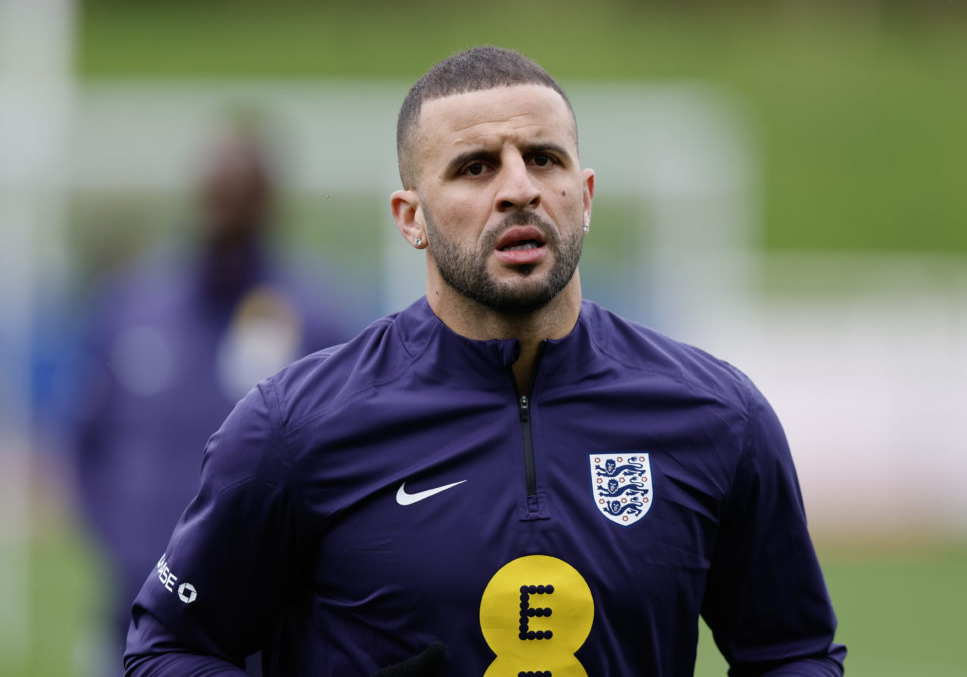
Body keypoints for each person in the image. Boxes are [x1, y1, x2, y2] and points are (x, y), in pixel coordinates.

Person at [123, 47, 846, 676]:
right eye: (474, 167)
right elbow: (166, 647)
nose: (519, 188)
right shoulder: (292, 428)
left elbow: (791, 651)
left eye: (543, 158)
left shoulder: (719, 416)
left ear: (584, 197)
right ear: (412, 218)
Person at [71, 125, 353, 673]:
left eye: (245, 190)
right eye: (219, 187)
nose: (229, 204)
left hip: (255, 614)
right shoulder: (132, 304)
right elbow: (86, 438)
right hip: (132, 599)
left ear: (270, 201)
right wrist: (120, 539)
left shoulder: (316, 318)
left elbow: (342, 458)